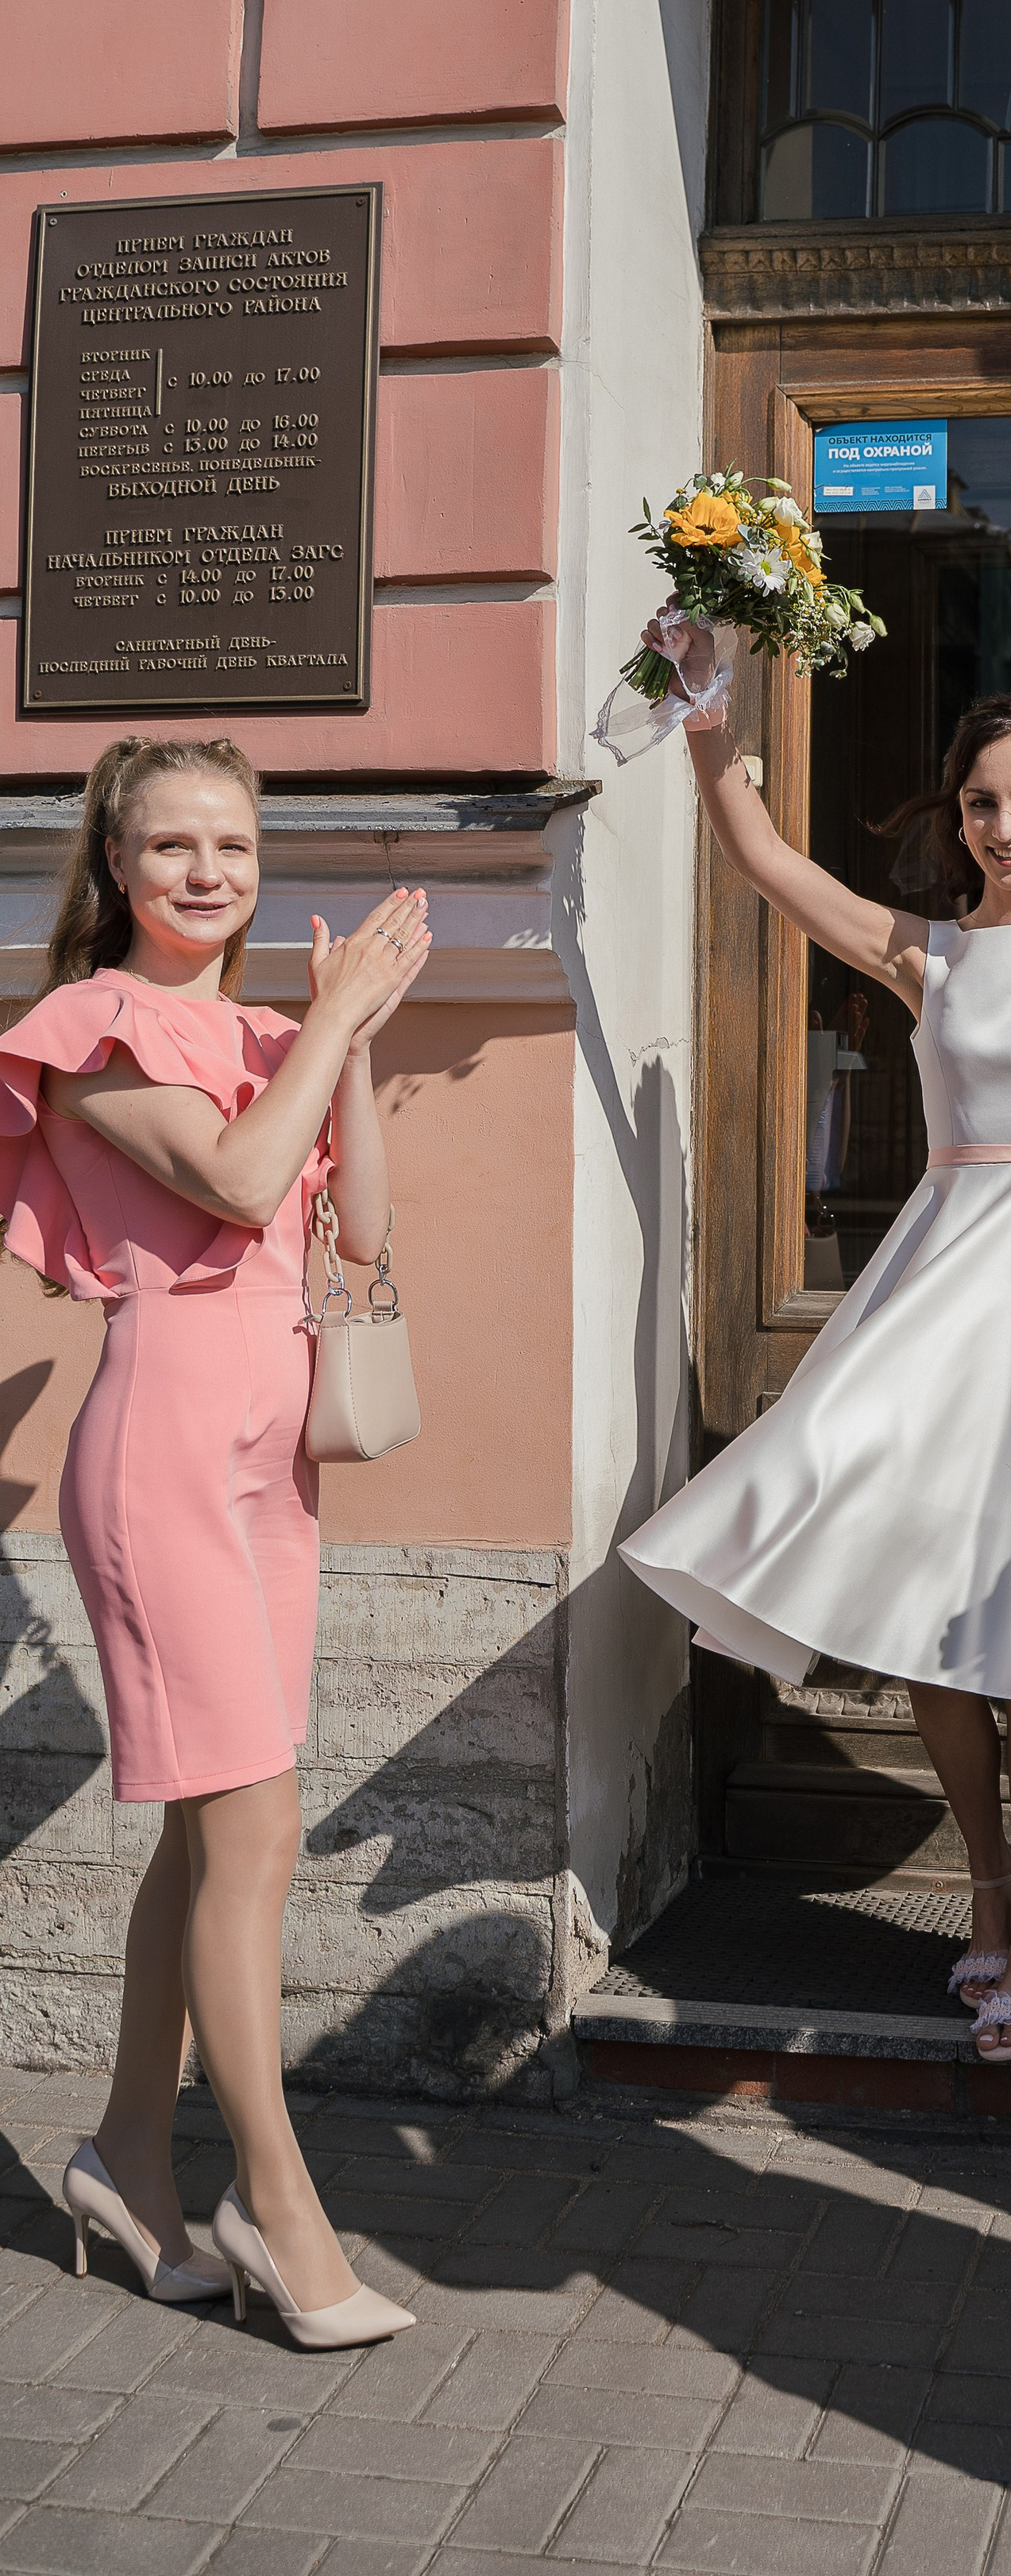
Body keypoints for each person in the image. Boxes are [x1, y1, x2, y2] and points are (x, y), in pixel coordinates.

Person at [620, 675, 1011, 2062]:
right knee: (934, 1622)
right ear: (959, 818)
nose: (1007, 823)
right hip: (941, 1278)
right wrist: (706, 712)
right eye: (983, 802)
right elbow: (766, 859)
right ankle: (984, 1881)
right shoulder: (933, 953)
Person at [0, 738, 430, 2350]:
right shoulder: (92, 1031)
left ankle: (126, 2154)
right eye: (171, 844)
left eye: (233, 845)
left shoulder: (274, 1028)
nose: (205, 871)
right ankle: (275, 2198)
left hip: (276, 1470)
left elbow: (357, 1232)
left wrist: (354, 1044)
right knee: (252, 1831)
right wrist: (325, 1028)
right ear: (115, 865)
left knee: (208, 1836)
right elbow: (246, 1181)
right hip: (166, 1460)